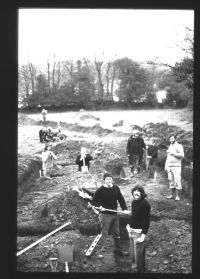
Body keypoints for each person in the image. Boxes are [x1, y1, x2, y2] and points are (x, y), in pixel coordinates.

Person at [90, 173, 129, 256]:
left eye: (110, 179)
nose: (109, 180)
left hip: (114, 214)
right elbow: (93, 201)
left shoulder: (116, 188)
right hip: (105, 215)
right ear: (104, 180)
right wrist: (99, 206)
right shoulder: (100, 190)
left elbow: (121, 199)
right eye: (107, 179)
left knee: (116, 232)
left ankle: (118, 250)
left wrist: (124, 209)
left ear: (112, 180)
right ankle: (103, 251)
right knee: (104, 232)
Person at [128, 183, 151, 272]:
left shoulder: (145, 204)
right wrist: (128, 225)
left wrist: (143, 236)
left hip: (139, 232)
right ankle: (135, 269)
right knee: (133, 255)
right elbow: (134, 216)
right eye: (135, 191)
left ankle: (140, 271)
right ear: (132, 193)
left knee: (139, 256)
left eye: (138, 191)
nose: (136, 193)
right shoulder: (134, 202)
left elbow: (146, 221)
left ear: (142, 193)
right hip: (131, 230)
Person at [165, 133, 184, 201]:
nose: (171, 140)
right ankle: (171, 195)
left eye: (172, 138)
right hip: (169, 166)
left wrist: (173, 153)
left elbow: (182, 155)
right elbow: (168, 157)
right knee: (171, 180)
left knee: (177, 180)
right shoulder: (170, 146)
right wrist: (166, 165)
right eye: (170, 138)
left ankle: (177, 196)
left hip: (176, 166)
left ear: (175, 139)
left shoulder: (179, 146)